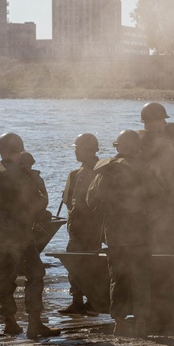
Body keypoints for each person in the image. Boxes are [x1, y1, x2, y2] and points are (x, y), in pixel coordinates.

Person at [0, 132, 59, 339]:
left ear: (1, 152)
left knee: (5, 279)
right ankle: (34, 324)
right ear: (16, 152)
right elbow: (36, 203)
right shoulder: (21, 175)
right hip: (19, 233)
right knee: (36, 274)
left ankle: (10, 324)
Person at [87, 129, 158, 337]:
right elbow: (158, 200)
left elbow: (91, 200)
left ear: (118, 146)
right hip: (141, 234)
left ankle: (119, 321)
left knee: (118, 277)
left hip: (116, 234)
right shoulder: (145, 169)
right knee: (141, 278)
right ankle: (142, 321)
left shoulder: (106, 170)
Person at [138, 102, 174, 252]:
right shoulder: (163, 145)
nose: (165, 123)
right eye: (162, 119)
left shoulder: (134, 140)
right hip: (162, 211)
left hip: (138, 210)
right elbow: (172, 181)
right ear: (155, 121)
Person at [60, 133, 104, 316]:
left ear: (88, 150)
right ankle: (77, 301)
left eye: (78, 148)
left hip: (92, 228)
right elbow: (68, 201)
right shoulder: (75, 173)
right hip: (76, 228)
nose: (76, 152)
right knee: (73, 264)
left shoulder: (102, 171)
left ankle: (93, 301)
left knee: (91, 264)